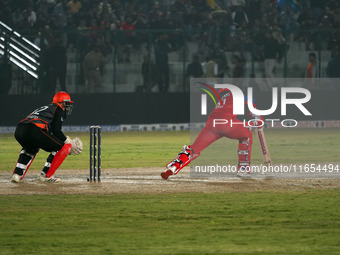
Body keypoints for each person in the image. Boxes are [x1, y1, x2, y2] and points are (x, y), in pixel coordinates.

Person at [161, 87, 262, 180]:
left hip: (211, 125)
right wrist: (258, 118)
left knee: (194, 149)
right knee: (246, 134)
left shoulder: (221, 100)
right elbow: (251, 102)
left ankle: (174, 167)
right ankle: (243, 168)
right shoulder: (236, 95)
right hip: (226, 124)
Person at [11, 92, 83, 183]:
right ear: (62, 102)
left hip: (19, 130)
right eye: (66, 104)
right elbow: (56, 131)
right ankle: (45, 175)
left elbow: (51, 131)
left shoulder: (47, 108)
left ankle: (17, 175)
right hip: (35, 130)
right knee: (62, 147)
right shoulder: (58, 109)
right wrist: (67, 141)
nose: (67, 107)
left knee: (30, 148)